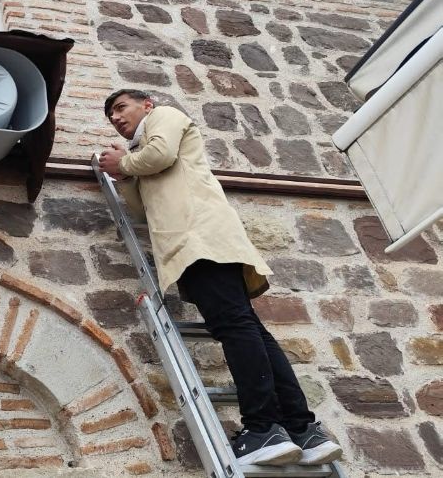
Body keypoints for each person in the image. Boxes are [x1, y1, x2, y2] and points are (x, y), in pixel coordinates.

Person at [97, 89, 342, 467]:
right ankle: (302, 430)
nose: (114, 117)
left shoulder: (163, 117)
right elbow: (141, 208)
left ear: (146, 105)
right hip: (192, 245)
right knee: (248, 328)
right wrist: (123, 170)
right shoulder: (139, 151)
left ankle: (263, 428)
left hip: (200, 238)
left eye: (120, 107)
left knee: (235, 327)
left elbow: (159, 155)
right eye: (109, 114)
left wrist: (125, 162)